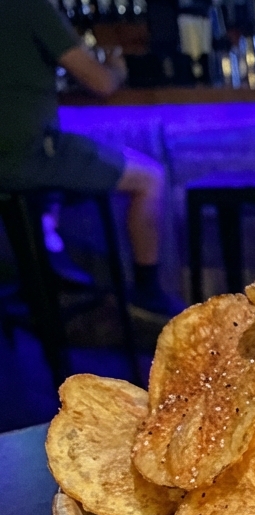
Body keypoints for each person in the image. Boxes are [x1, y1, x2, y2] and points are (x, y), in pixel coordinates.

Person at [0, 0, 183, 318]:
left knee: (50, 178)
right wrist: (116, 67)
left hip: (18, 162)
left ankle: (44, 256)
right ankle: (147, 294)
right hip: (26, 154)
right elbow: (100, 83)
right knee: (150, 177)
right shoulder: (31, 8)